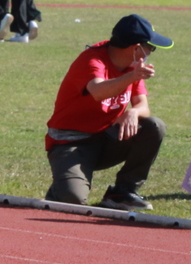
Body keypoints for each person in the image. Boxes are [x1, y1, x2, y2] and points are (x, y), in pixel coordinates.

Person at [43, 15, 168, 209]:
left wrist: (133, 112)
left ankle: (122, 192)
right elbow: (99, 91)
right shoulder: (92, 60)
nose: (151, 51)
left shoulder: (132, 66)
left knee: (154, 126)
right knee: (73, 200)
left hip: (105, 139)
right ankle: (61, 188)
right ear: (135, 48)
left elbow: (143, 106)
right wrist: (131, 77)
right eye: (150, 47)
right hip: (70, 143)